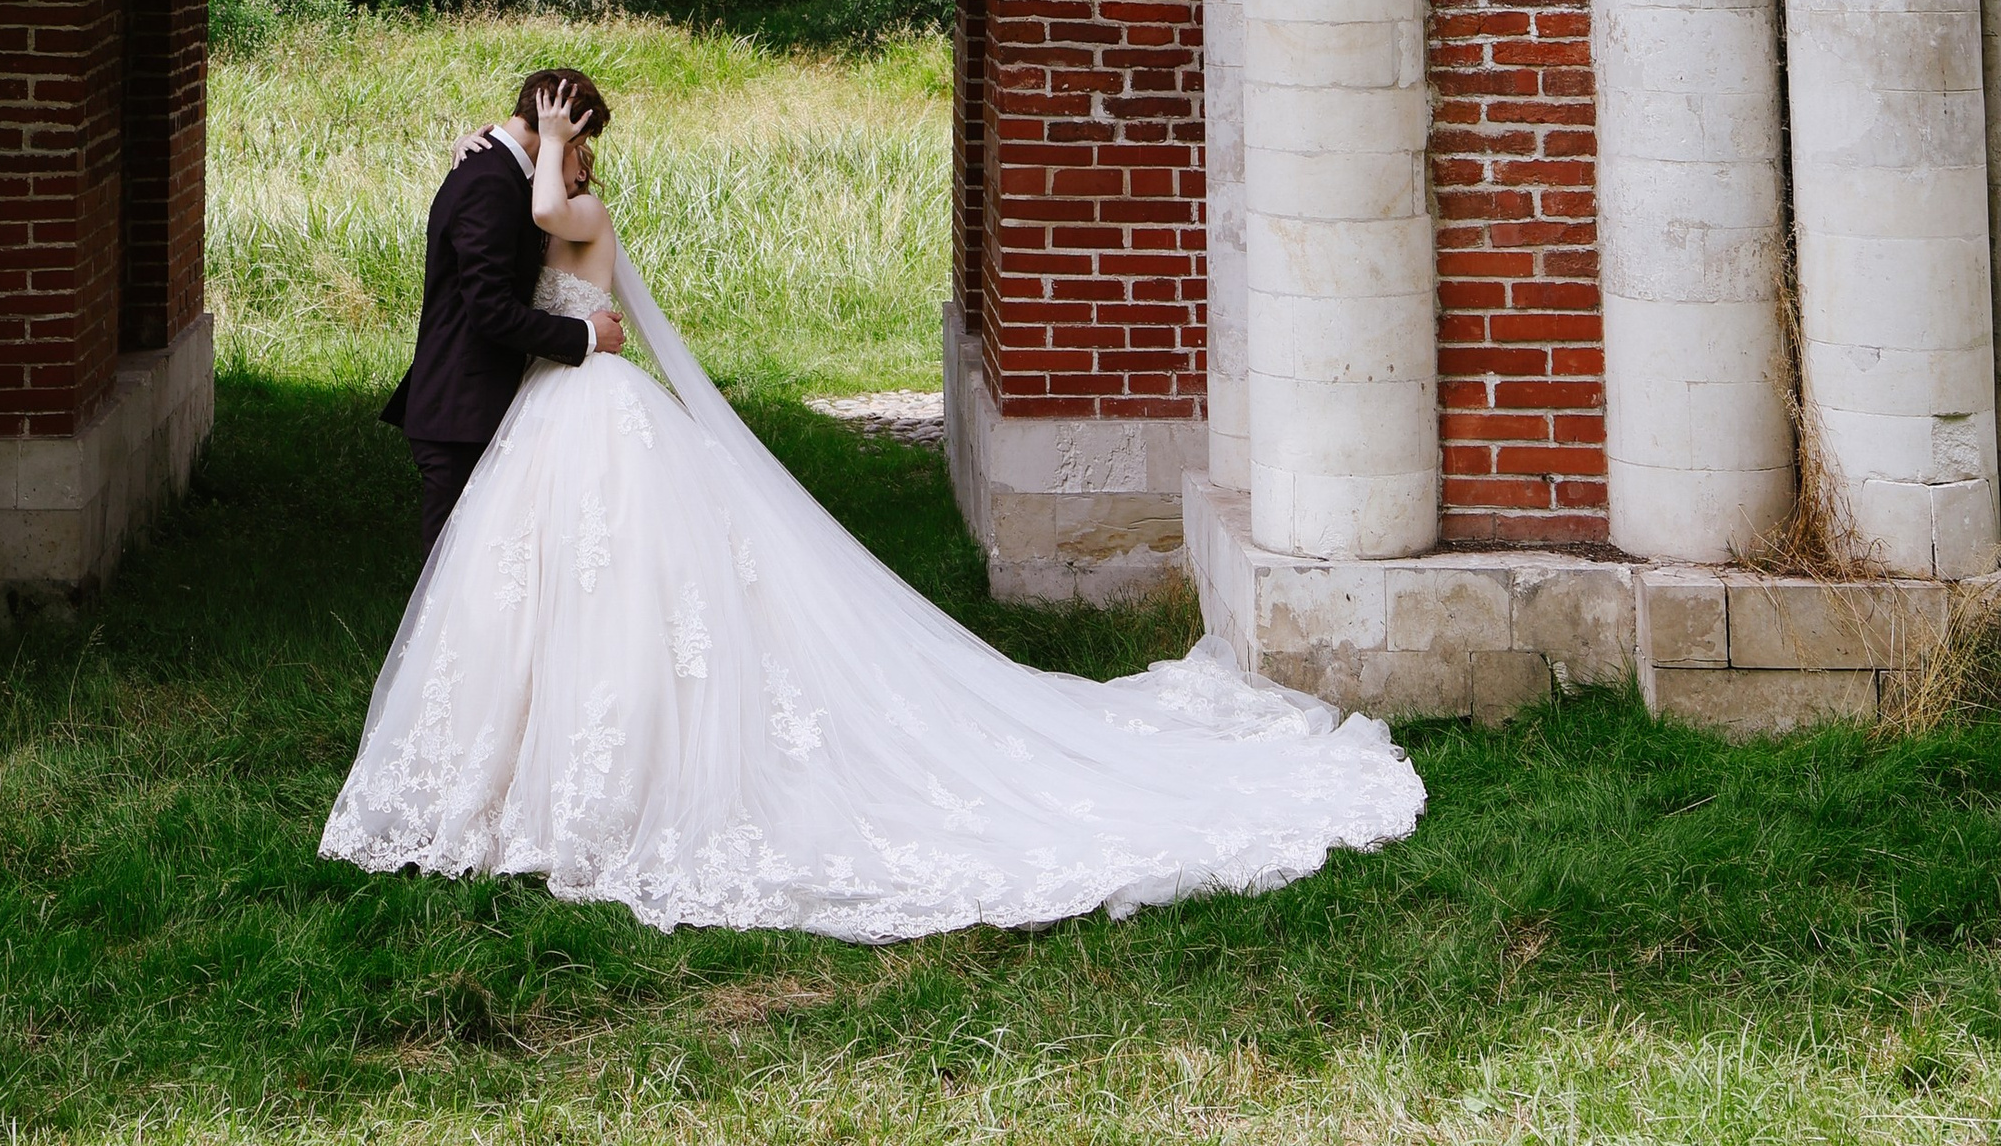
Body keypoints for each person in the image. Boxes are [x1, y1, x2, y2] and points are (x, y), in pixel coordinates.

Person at [327, 86, 1425, 940]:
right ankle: (505, 750)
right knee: (515, 579)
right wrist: (529, 153)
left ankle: (559, 766)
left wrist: (546, 159)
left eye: (566, 139)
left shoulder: (569, 199)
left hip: (580, 394)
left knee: (606, 575)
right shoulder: (504, 180)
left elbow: (543, 232)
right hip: (536, 397)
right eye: (560, 132)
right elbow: (496, 280)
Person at [381, 66, 626, 562]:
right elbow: (491, 311)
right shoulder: (491, 179)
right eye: (578, 139)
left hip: (486, 402)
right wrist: (585, 335)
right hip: (460, 407)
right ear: (558, 126)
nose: (580, 153)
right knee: (450, 570)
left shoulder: (497, 168)